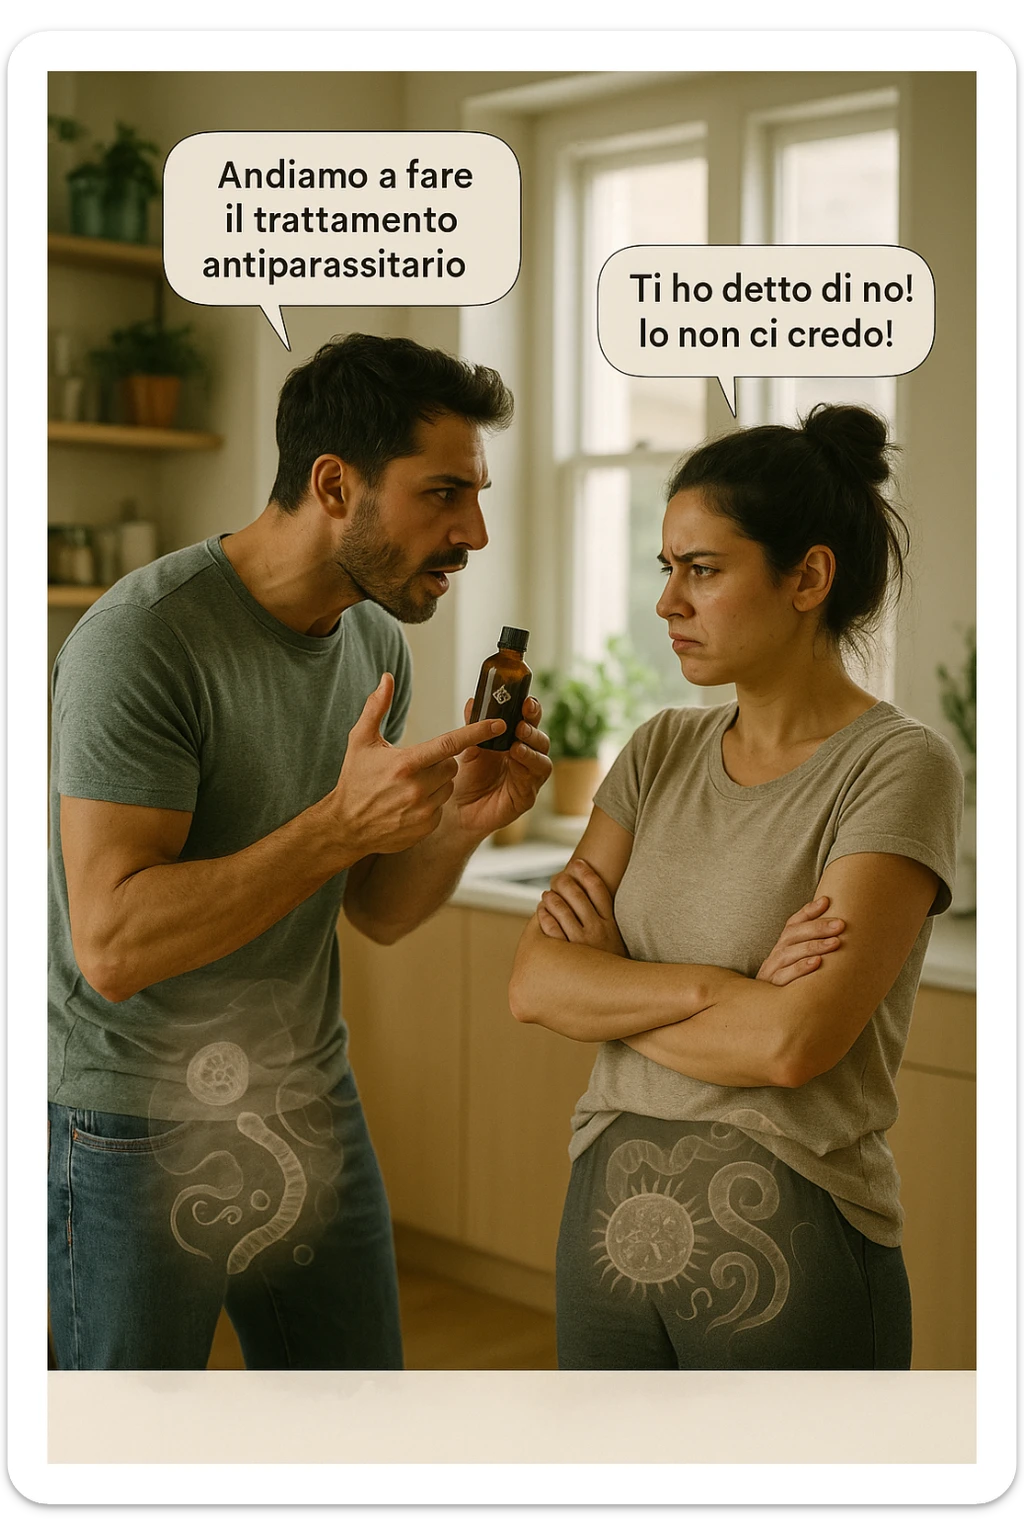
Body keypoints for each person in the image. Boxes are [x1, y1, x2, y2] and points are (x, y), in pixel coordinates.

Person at [48, 332, 552, 1370]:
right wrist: (333, 826)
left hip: (303, 1097)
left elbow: (373, 909)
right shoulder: (141, 641)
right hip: (133, 1120)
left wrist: (461, 817)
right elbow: (113, 944)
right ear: (334, 483)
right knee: (130, 1452)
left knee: (353, 1435)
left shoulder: (373, 643)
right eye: (443, 495)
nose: (476, 532)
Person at [509, 404, 963, 1371]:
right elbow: (534, 984)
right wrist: (725, 991)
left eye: (702, 570)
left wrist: (613, 981)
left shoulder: (896, 767)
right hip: (605, 1225)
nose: (669, 601)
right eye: (665, 567)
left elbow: (796, 1043)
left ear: (807, 577)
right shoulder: (659, 748)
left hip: (796, 1240)